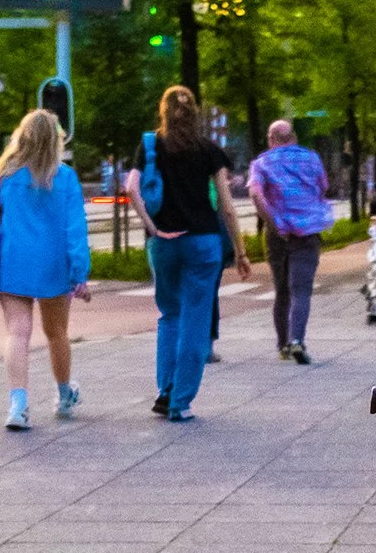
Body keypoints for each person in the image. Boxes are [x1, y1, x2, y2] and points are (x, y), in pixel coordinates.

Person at [125, 85, 250, 422]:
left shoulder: (150, 146)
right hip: (204, 243)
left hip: (164, 243)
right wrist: (240, 251)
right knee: (196, 318)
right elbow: (226, 206)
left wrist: (153, 228)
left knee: (169, 315)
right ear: (195, 113)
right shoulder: (208, 150)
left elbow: (131, 188)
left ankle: (165, 390)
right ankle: (181, 402)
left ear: (163, 111)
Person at [0, 108, 90, 432]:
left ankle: (18, 404)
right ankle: (65, 393)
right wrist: (80, 273)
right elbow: (75, 229)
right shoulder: (65, 177)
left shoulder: (3, 174)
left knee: (17, 332)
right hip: (54, 267)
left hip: (12, 263)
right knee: (57, 334)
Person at [247, 118, 330, 364]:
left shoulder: (261, 163)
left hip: (277, 235)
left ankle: (283, 345)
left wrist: (274, 223)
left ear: (271, 139)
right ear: (293, 137)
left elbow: (255, 193)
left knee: (281, 291)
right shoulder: (312, 158)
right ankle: (297, 341)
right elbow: (323, 187)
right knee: (301, 291)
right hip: (307, 233)